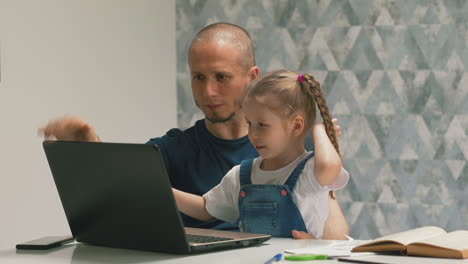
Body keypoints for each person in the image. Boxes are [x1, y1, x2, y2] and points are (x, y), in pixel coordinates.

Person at [39, 22, 349, 239]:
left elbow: (331, 219)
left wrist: (320, 247)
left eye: (222, 77)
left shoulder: (293, 151)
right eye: (199, 77)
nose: (209, 91)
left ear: (252, 77)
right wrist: (92, 148)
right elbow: (125, 181)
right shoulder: (175, 149)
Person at [172, 70, 348, 238]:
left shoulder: (310, 172)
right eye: (249, 123)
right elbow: (206, 209)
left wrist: (319, 129)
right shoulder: (242, 174)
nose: (253, 134)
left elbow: (329, 166)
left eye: (262, 125)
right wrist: (166, 193)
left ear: (296, 126)